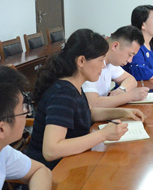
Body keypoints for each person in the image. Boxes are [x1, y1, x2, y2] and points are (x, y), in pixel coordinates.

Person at [26, 29, 145, 170]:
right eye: (100, 60)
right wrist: (103, 134)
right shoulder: (63, 93)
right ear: (81, 61)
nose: (103, 66)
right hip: (52, 171)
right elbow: (51, 151)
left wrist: (122, 113)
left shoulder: (75, 85)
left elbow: (88, 113)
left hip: (71, 163)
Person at [82, 25, 150, 108]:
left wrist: (122, 90)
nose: (130, 60)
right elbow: (93, 104)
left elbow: (131, 79)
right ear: (115, 46)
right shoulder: (91, 60)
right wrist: (130, 96)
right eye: (130, 55)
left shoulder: (111, 62)